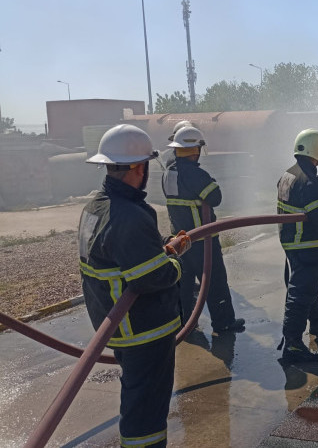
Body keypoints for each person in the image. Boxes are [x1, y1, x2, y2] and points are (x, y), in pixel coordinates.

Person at [80, 124, 190, 447]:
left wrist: (164, 246)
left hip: (118, 327)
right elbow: (152, 276)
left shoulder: (95, 207)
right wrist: (174, 264)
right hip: (144, 331)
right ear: (138, 168)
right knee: (146, 413)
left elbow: (125, 257)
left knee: (138, 402)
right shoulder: (129, 216)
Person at [162, 126, 245, 333]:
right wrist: (212, 184)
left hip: (179, 241)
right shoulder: (195, 174)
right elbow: (215, 198)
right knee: (214, 282)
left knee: (184, 286)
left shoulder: (168, 173)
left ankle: (185, 325)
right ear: (196, 149)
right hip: (202, 241)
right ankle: (223, 323)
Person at [276, 129, 318, 362]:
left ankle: (317, 321)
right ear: (317, 151)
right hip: (307, 244)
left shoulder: (287, 174)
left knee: (307, 288)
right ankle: (292, 344)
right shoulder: (310, 181)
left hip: (292, 243)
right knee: (300, 294)